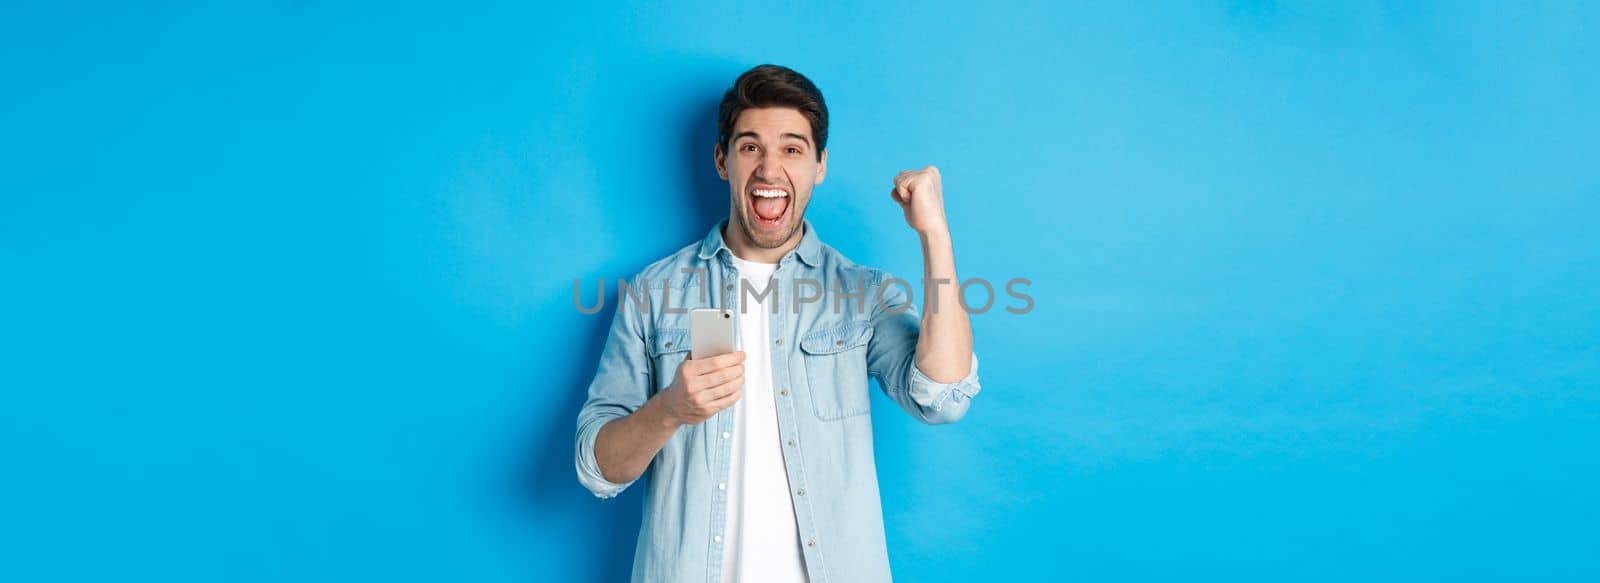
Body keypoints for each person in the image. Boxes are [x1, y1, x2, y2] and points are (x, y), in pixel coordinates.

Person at [575, 64, 982, 582]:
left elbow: (943, 397)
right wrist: (669, 410)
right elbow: (597, 468)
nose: (770, 170)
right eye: (750, 147)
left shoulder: (863, 293)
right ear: (723, 161)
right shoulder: (653, 293)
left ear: (819, 165)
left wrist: (935, 235)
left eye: (792, 149)